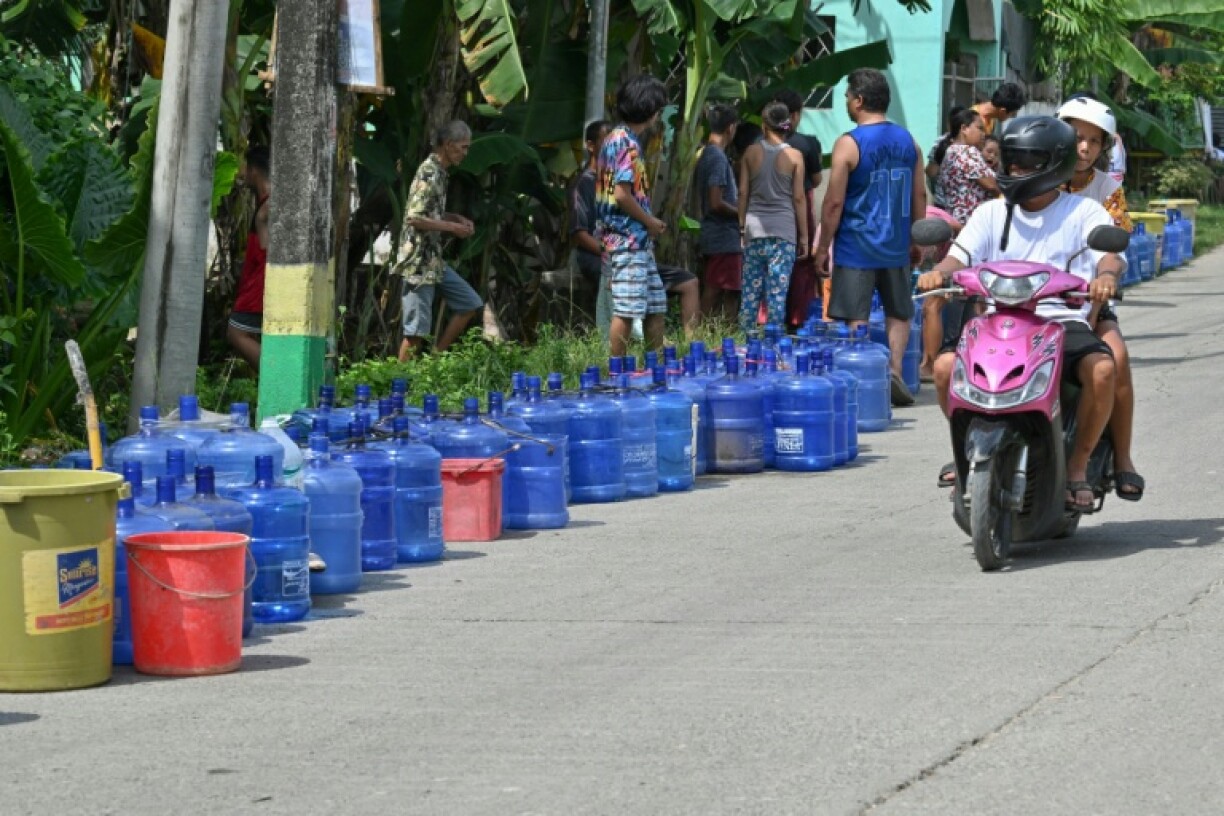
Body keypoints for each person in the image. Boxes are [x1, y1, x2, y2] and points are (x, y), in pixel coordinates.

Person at [918, 116, 1123, 511]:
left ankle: (1078, 466)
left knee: (1102, 369)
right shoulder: (991, 213)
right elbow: (957, 258)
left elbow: (1109, 256)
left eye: (1029, 163)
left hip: (1060, 320)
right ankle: (967, 448)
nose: (1017, 171)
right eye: (1013, 162)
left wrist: (1106, 276)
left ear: (1055, 163)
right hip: (997, 321)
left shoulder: (1083, 213)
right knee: (944, 369)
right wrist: (937, 274)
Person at [816, 68, 924, 406]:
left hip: (856, 246)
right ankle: (893, 369)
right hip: (896, 244)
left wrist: (823, 247)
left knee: (857, 313)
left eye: (848, 96)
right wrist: (917, 237)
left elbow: (834, 202)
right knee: (899, 311)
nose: (847, 102)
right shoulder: (909, 141)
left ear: (859, 100)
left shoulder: (848, 144)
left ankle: (867, 380)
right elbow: (919, 195)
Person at [1057, 96, 1143, 501]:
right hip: (1028, 300)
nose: (1084, 148)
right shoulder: (1033, 179)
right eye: (1077, 138)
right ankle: (968, 448)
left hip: (1087, 299)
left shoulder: (1108, 190)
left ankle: (1122, 458)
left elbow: (1117, 250)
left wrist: (1105, 278)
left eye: (1094, 141)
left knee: (1117, 359)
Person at [396, 120, 484, 361]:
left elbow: (428, 212)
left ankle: (435, 360)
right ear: (448, 145)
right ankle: (398, 386)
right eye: (463, 147)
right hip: (419, 263)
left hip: (432, 260)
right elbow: (414, 218)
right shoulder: (430, 172)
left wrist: (456, 217)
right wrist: (452, 227)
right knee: (415, 333)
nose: (466, 153)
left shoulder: (440, 173)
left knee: (469, 302)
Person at [596, 75, 669, 356]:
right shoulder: (626, 143)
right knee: (626, 310)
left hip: (635, 240)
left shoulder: (615, 138)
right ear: (649, 110)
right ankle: (616, 373)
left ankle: (655, 366)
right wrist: (649, 221)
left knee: (655, 305)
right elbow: (622, 194)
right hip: (627, 240)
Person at [737, 101, 807, 334]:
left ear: (765, 125)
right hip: (784, 232)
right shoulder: (795, 156)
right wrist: (804, 237)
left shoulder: (750, 152)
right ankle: (773, 347)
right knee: (777, 295)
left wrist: (741, 227)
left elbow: (743, 192)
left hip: (754, 231)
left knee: (750, 293)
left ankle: (745, 344)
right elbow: (798, 198)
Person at [773, 89, 825, 329]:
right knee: (802, 263)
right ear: (794, 115)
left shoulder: (757, 147)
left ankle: (770, 319)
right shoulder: (806, 144)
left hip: (768, 212)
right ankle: (797, 318)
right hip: (798, 211)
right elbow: (815, 181)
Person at [694, 104, 742, 321]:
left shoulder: (707, 153)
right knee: (720, 289)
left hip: (715, 233)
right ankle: (706, 331)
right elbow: (716, 202)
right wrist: (741, 213)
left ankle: (706, 331)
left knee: (719, 286)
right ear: (731, 128)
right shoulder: (717, 157)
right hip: (722, 235)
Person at [227, 146, 271, 373]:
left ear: (254, 170)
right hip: (256, 281)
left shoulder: (270, 204)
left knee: (236, 332)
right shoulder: (264, 202)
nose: (242, 174)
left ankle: (274, 377)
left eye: (245, 167)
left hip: (261, 283)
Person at [570, 119, 610, 293]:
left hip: (622, 256)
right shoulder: (583, 184)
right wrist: (611, 254)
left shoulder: (617, 182)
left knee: (688, 281)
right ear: (591, 146)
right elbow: (580, 235)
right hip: (593, 257)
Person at [925, 106, 966, 210]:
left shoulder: (941, 142)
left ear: (949, 124)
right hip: (964, 204)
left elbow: (931, 172)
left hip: (942, 201)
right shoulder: (972, 145)